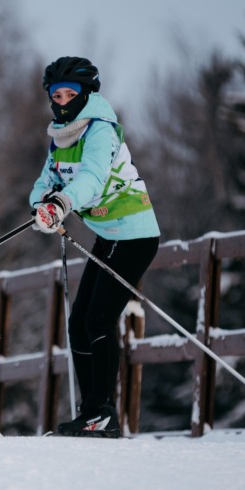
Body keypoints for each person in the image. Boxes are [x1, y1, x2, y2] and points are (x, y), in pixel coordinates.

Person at [30, 56, 160, 438]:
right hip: (110, 236)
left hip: (135, 235)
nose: (64, 100)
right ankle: (93, 413)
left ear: (87, 95)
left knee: (98, 320)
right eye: (58, 94)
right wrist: (43, 205)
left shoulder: (100, 131)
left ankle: (101, 413)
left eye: (72, 93)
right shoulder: (61, 136)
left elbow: (90, 179)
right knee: (77, 323)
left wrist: (63, 204)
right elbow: (43, 182)